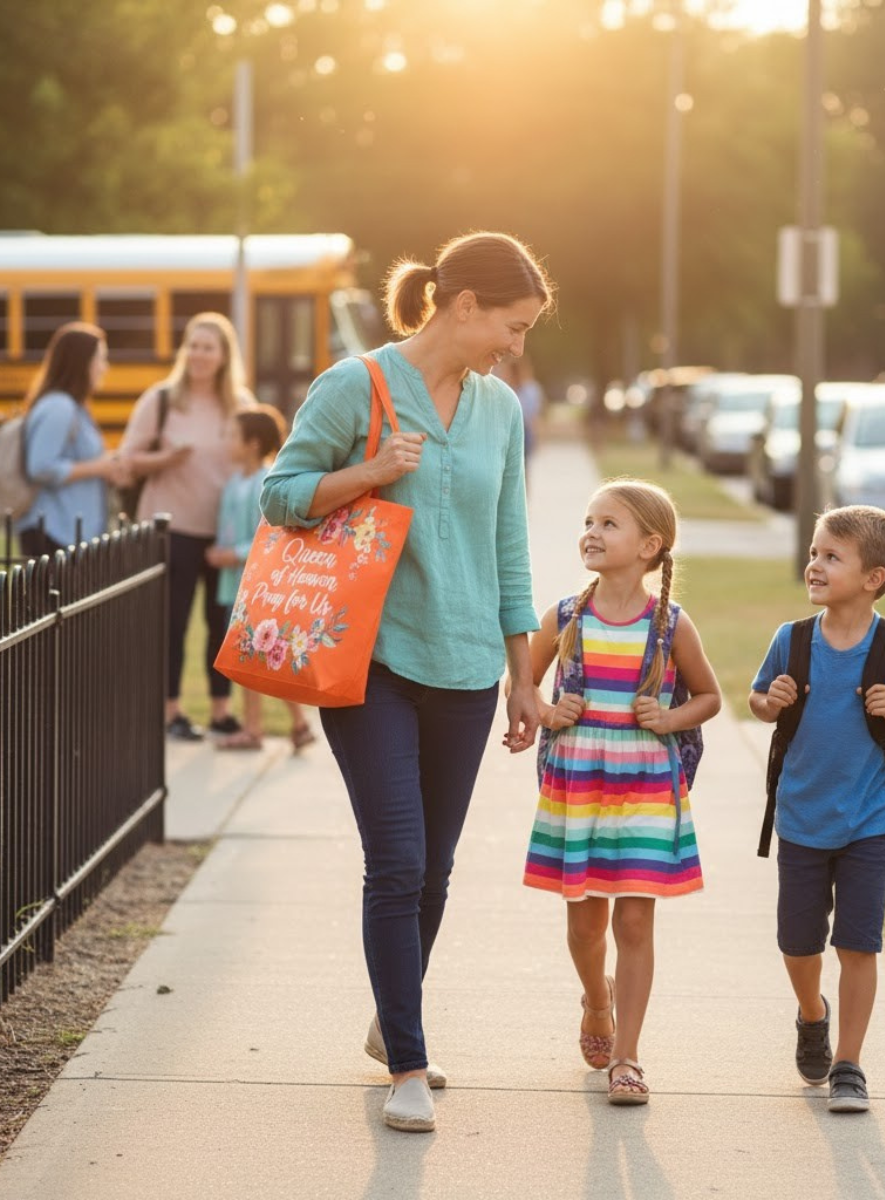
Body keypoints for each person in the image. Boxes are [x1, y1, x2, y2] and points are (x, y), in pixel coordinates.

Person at [260, 231, 554, 1133]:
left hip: (466, 664)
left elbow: (509, 545)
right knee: (397, 863)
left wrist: (522, 676)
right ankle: (411, 1067)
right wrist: (372, 472)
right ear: (462, 304)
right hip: (372, 660)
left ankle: (391, 1029)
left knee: (436, 872)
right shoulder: (360, 386)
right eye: (511, 325)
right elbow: (280, 492)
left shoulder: (500, 408)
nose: (515, 344)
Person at [748, 504, 885, 1113]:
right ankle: (813, 1015)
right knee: (797, 943)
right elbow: (760, 701)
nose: (814, 565)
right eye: (814, 553)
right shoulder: (793, 640)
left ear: (874, 578)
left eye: (831, 557)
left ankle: (849, 1065)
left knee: (858, 944)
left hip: (871, 819)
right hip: (803, 817)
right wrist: (770, 699)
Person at [522, 479, 721, 1106]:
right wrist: (550, 713)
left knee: (635, 919)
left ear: (649, 546)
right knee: (586, 926)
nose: (592, 531)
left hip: (645, 787)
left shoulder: (671, 625)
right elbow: (524, 689)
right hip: (578, 785)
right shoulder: (564, 617)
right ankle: (597, 1002)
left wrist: (669, 718)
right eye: (589, 520)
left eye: (610, 523)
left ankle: (628, 1057)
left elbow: (710, 697)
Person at [119, 312, 254, 742]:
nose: (197, 354)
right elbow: (125, 462)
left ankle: (220, 710)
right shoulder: (159, 400)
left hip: (223, 536)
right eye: (192, 345)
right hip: (171, 528)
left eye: (207, 347)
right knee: (171, 622)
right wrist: (166, 459)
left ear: (223, 355)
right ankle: (170, 711)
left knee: (222, 623)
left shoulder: (241, 405)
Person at [204, 405, 316, 753]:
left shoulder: (264, 483)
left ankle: (266, 728)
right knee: (248, 660)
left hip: (257, 588)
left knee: (259, 658)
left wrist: (232, 554)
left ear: (253, 444)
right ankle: (289, 725)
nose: (225, 442)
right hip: (232, 584)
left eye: (231, 436)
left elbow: (267, 534)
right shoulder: (233, 483)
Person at [16, 322, 130, 558]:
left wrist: (107, 467)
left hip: (69, 532)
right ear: (81, 362)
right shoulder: (60, 407)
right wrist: (100, 467)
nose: (105, 367)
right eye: (101, 359)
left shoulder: (75, 408)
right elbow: (40, 467)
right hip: (54, 531)